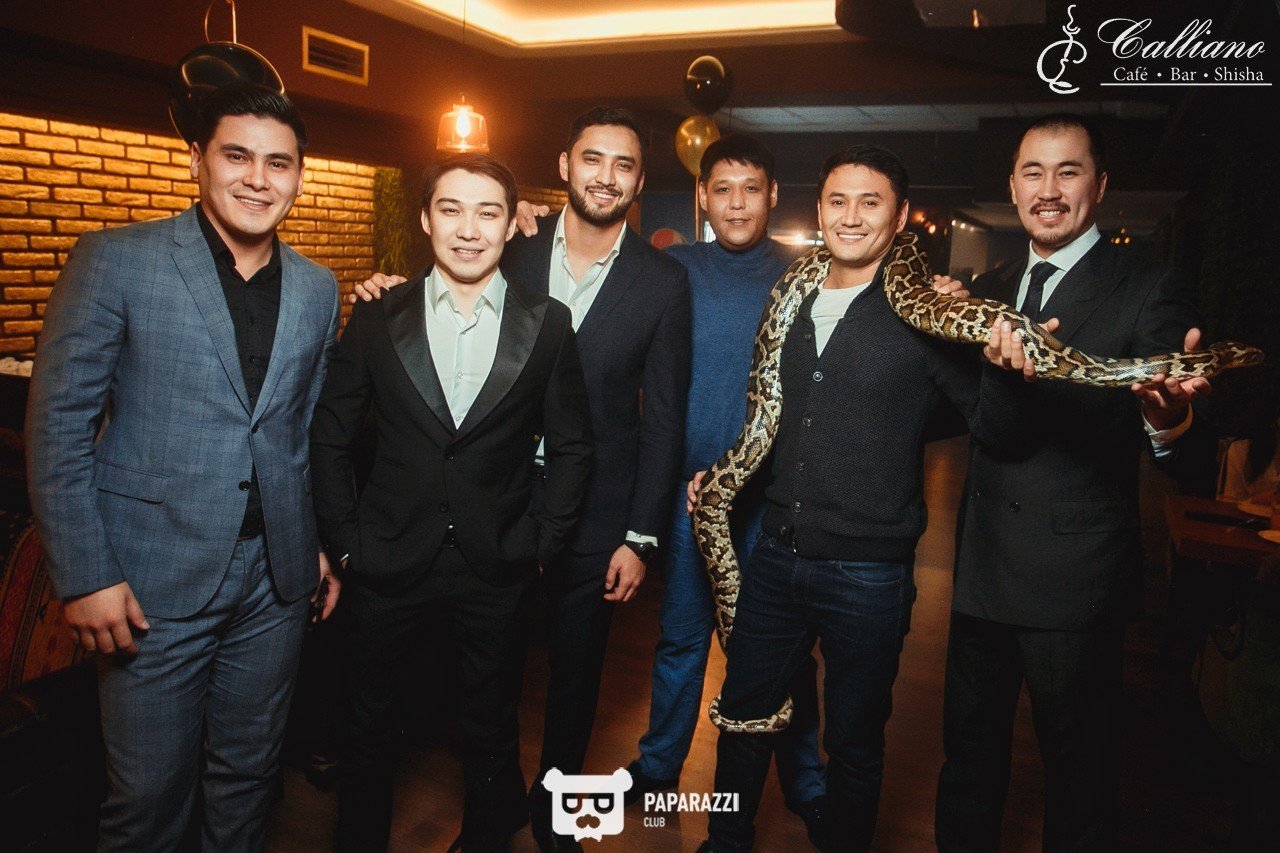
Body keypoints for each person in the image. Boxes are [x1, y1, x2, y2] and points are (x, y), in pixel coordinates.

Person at [351, 106, 691, 853]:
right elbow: (441, 302)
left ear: (640, 181)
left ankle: (555, 811)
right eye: (592, 159)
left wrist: (641, 535)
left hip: (595, 504)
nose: (606, 177)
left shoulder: (664, 282)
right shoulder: (514, 241)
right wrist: (385, 287)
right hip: (487, 492)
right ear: (565, 166)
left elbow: (665, 418)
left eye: (624, 165)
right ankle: (495, 803)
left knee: (575, 670)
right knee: (484, 672)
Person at [25, 84, 340, 851]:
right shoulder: (117, 260)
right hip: (149, 582)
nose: (258, 179)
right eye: (237, 156)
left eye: (279, 162)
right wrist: (86, 574)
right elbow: (58, 425)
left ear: (300, 174)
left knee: (249, 779)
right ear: (197, 159)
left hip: (276, 583)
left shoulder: (317, 287)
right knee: (148, 799)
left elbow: (296, 433)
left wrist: (311, 543)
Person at [695, 144, 1028, 853]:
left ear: (900, 216)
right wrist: (725, 477)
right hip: (777, 554)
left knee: (853, 740)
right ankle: (725, 841)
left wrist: (1004, 368)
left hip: (869, 574)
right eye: (837, 201)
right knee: (742, 714)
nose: (850, 217)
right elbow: (778, 420)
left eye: (870, 202)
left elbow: (995, 430)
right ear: (819, 210)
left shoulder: (926, 311)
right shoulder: (792, 297)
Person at [934, 113, 1213, 852]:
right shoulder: (987, 290)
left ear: (1101, 184)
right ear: (1012, 187)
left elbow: (1187, 458)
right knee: (967, 767)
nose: (1049, 190)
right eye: (1033, 172)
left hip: (1077, 584)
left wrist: (1169, 419)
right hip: (983, 572)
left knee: (1080, 780)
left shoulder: (1149, 287)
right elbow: (973, 420)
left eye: (1068, 171)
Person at [309, 153, 593, 852]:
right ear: (426, 218)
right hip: (386, 559)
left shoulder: (547, 322)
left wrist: (540, 545)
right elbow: (329, 435)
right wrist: (346, 542)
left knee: (491, 724)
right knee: (368, 728)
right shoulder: (378, 314)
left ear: (511, 224)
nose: (469, 229)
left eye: (488, 212)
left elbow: (574, 447)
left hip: (496, 563)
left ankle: (488, 837)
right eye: (452, 210)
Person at [612, 134, 826, 829]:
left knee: (783, 650)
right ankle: (658, 766)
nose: (736, 204)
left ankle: (806, 780)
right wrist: (527, 224)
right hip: (688, 501)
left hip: (774, 502)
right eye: (723, 189)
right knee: (680, 639)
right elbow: (584, 267)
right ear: (702, 197)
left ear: (773, 196)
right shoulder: (671, 268)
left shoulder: (811, 272)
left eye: (751, 189)